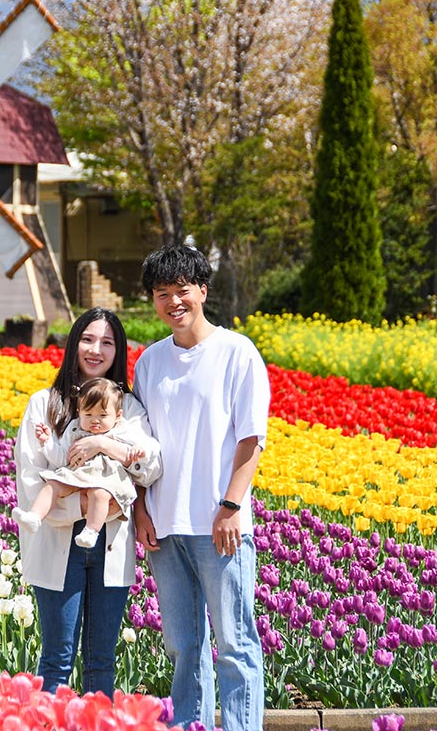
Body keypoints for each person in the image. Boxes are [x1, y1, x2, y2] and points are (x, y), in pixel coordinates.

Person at [131, 244, 271, 731]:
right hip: (165, 528)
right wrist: (141, 511)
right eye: (162, 293)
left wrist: (232, 505)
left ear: (203, 291)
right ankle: (191, 726)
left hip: (219, 526)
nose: (173, 302)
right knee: (184, 646)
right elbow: (139, 445)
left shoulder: (237, 353)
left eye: (182, 290)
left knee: (234, 643)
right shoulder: (149, 362)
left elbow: (252, 438)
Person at [14, 307, 162, 697]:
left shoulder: (127, 407)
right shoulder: (45, 404)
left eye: (107, 342)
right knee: (57, 656)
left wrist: (103, 443)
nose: (96, 350)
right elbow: (30, 480)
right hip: (58, 543)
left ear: (119, 351)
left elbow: (151, 465)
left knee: (101, 660)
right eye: (88, 339)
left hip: (109, 544)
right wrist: (82, 508)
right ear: (73, 343)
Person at [14, 377, 147, 549]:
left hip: (106, 478)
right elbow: (63, 458)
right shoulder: (75, 429)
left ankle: (91, 531)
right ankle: (34, 516)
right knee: (53, 485)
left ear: (118, 415)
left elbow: (132, 450)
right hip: (76, 474)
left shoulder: (120, 430)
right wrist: (47, 443)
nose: (95, 420)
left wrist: (137, 451)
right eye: (88, 414)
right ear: (79, 411)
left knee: (99, 495)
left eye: (102, 415)